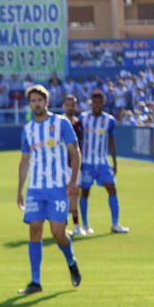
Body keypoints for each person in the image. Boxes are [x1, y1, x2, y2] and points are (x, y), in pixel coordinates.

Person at [16, 84, 82, 295]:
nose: (36, 104)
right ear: (30, 104)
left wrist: (72, 181)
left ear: (46, 101)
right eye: (33, 101)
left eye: (39, 100)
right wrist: (20, 189)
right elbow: (24, 160)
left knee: (58, 233)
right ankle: (35, 281)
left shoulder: (61, 123)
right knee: (34, 228)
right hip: (36, 188)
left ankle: (71, 260)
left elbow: (75, 152)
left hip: (57, 187)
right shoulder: (28, 130)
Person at [77, 89, 128, 236]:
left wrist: (115, 161)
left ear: (104, 103)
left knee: (112, 188)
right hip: (86, 162)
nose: (97, 105)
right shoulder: (83, 118)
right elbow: (78, 140)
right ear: (91, 103)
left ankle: (115, 223)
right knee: (85, 192)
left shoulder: (109, 120)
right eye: (95, 102)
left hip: (102, 162)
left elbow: (112, 141)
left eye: (100, 102)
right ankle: (85, 225)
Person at [60, 95, 85, 233]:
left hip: (75, 165)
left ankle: (76, 226)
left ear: (75, 106)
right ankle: (62, 227)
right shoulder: (59, 123)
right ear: (64, 106)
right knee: (62, 196)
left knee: (75, 194)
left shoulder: (79, 123)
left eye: (72, 104)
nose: (70, 107)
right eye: (67, 104)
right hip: (62, 166)